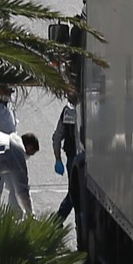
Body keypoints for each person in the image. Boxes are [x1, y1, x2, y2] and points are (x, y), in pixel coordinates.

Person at [53, 89, 78, 222]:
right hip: (76, 158)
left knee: (75, 192)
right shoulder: (69, 111)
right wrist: (58, 159)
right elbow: (57, 137)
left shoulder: (68, 111)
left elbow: (57, 137)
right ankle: (58, 220)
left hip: (74, 159)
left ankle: (58, 219)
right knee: (75, 192)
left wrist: (58, 158)